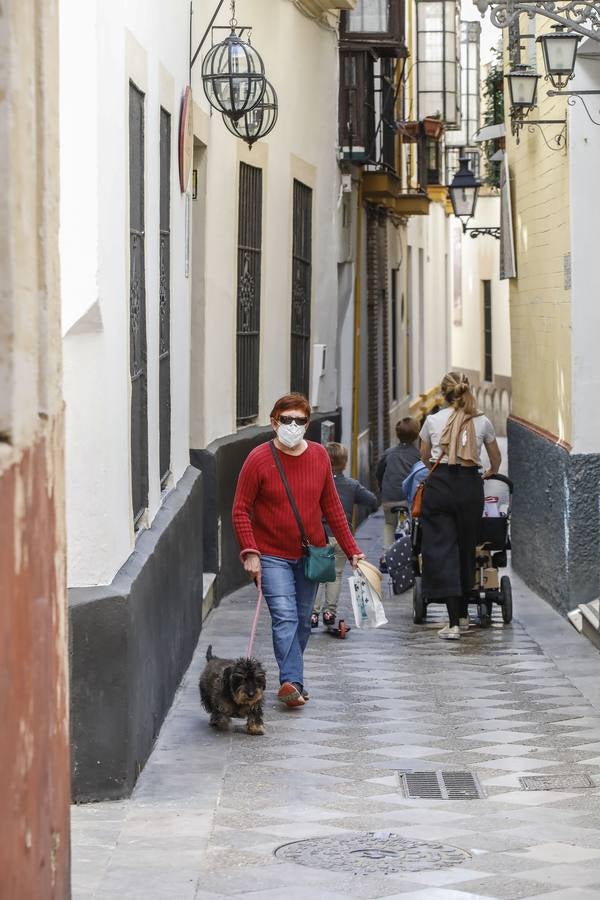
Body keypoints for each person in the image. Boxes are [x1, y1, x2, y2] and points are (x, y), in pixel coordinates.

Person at [232, 394, 365, 708]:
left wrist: (353, 551)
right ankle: (291, 682)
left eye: (300, 421)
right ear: (274, 422)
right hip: (271, 554)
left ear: (308, 423)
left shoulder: (319, 456)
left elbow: (332, 509)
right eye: (286, 420)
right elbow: (240, 510)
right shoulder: (257, 459)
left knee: (304, 621)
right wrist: (250, 552)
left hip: (310, 554)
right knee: (286, 618)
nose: (293, 426)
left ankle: (293, 679)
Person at [419, 372, 502, 640]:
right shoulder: (483, 421)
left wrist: (440, 470)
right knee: (467, 548)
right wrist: (486, 474)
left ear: (443, 395)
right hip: (469, 488)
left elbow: (424, 457)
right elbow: (495, 460)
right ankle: (464, 617)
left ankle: (453, 622)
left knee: (443, 550)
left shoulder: (432, 420)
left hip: (440, 487)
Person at [311, 442, 377, 629]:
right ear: (345, 463)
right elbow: (372, 500)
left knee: (317, 575)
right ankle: (329, 612)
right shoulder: (351, 485)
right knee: (335, 574)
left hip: (320, 535)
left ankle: (313, 614)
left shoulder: (316, 482)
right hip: (341, 536)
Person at [376, 417, 421, 550]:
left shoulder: (388, 453)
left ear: (397, 434)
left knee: (389, 524)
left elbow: (379, 472)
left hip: (389, 498)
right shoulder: (418, 455)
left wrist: (382, 488)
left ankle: (386, 553)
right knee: (415, 524)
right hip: (409, 501)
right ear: (417, 435)